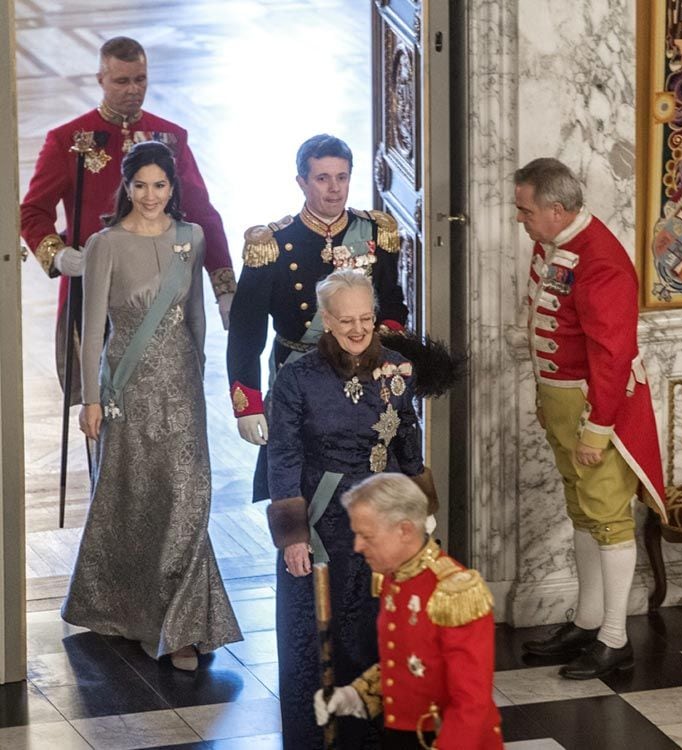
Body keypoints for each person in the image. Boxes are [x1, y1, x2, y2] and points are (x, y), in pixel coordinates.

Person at [61, 141, 241, 671]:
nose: (150, 195)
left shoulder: (193, 237)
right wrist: (91, 400)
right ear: (126, 187)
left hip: (182, 390)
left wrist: (199, 378)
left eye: (160, 185)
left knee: (188, 495)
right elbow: (93, 330)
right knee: (133, 499)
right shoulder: (105, 244)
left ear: (173, 188)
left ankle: (180, 624)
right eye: (140, 185)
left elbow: (196, 320)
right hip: (127, 390)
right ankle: (130, 614)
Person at [265, 269, 436, 750]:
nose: (359, 330)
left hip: (384, 518)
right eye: (346, 321)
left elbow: (408, 444)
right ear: (326, 320)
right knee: (320, 638)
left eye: (366, 318)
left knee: (383, 631)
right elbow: (284, 455)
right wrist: (293, 535)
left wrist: (422, 521)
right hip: (325, 524)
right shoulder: (297, 377)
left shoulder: (398, 368)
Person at [513, 158, 667, 679]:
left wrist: (598, 428)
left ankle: (615, 637)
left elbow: (612, 353)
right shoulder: (556, 242)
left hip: (594, 406)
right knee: (582, 511)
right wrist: (545, 397)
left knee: (608, 515)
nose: (521, 218)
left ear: (556, 210)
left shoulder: (600, 261)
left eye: (526, 209)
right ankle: (587, 620)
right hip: (561, 399)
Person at [21, 36, 236, 401]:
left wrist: (224, 286)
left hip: (162, 284)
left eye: (140, 80)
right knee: (100, 395)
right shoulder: (67, 141)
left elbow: (202, 214)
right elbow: (33, 211)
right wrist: (57, 254)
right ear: (100, 79)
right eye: (122, 81)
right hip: (92, 287)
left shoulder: (171, 138)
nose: (133, 90)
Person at [226, 133, 407, 499]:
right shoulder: (272, 244)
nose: (334, 189)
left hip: (362, 374)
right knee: (299, 486)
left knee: (366, 486)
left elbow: (392, 306)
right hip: (298, 377)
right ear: (302, 182)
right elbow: (246, 333)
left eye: (342, 177)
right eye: (322, 178)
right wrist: (247, 404)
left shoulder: (374, 231)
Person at [314, 473, 503, 750]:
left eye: (367, 536)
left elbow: (470, 702)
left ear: (404, 530)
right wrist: (355, 695)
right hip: (402, 734)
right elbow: (406, 661)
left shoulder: (455, 592)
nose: (357, 546)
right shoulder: (395, 576)